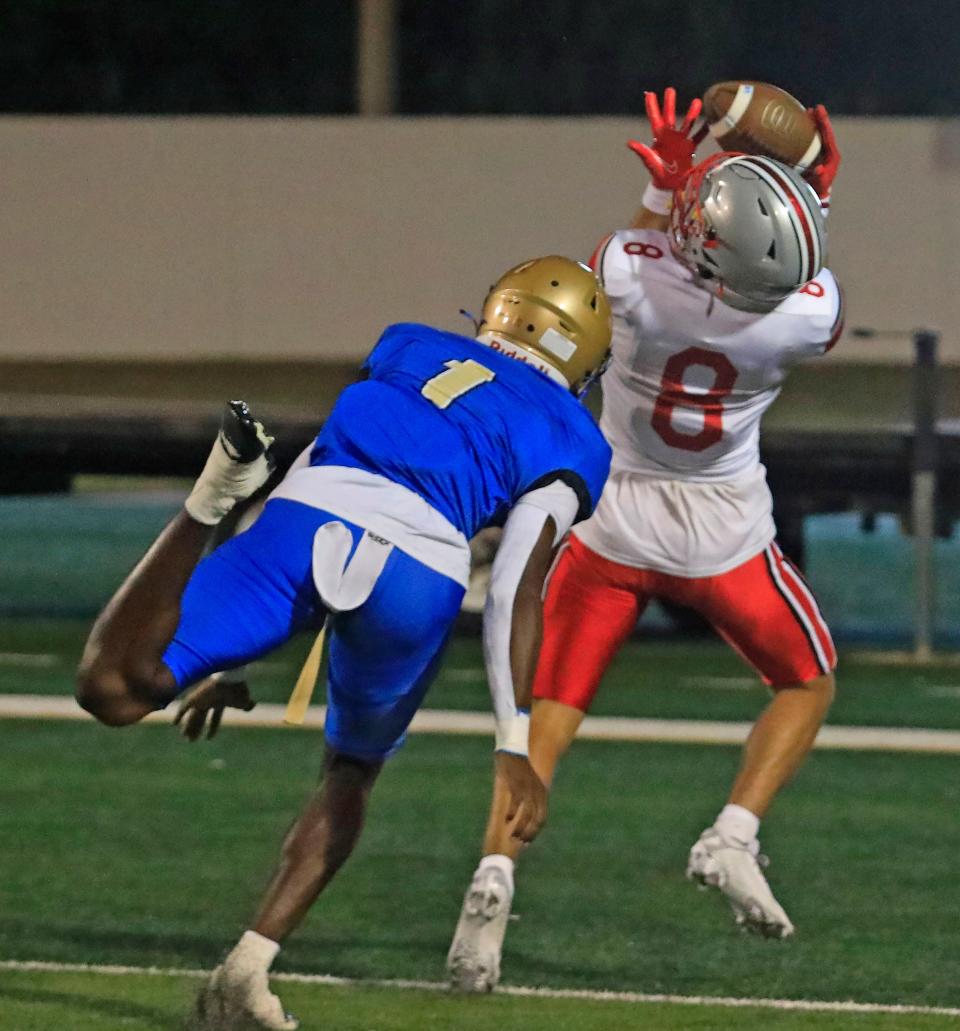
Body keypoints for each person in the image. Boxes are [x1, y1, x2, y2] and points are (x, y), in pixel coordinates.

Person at [76, 255, 613, 1031]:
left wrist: (236, 647)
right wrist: (512, 740)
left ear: (498, 310)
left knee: (116, 688)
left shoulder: (411, 345)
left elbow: (319, 460)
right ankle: (246, 970)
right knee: (351, 767)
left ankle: (207, 497)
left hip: (305, 511)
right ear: (584, 356)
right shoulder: (573, 435)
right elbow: (516, 585)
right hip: (423, 564)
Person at [447, 90, 843, 992]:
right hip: (722, 530)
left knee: (543, 723)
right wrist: (810, 189)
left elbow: (634, 256)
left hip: (612, 513)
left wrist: (668, 190)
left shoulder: (632, 272)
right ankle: (732, 833)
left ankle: (493, 877)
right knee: (807, 680)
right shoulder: (803, 318)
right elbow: (788, 258)